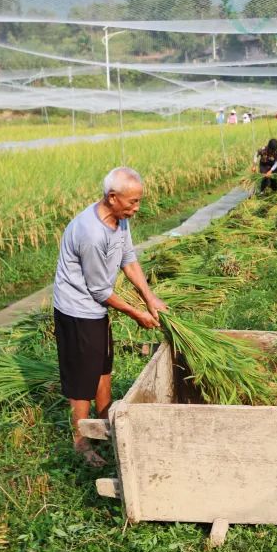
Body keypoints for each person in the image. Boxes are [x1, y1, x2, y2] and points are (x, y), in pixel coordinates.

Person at [53, 167, 168, 466]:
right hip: (77, 309)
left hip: (95, 308)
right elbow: (99, 290)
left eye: (139, 201)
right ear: (112, 197)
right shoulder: (91, 233)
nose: (137, 208)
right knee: (82, 380)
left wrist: (150, 297)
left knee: (103, 366)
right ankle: (81, 442)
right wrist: (136, 314)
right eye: (132, 202)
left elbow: (129, 260)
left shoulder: (120, 220)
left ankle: (106, 422)